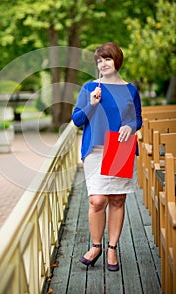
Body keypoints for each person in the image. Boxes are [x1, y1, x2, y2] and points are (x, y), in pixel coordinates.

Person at [71, 42, 142, 271]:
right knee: (97, 200)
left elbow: (137, 118)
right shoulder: (90, 88)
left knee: (117, 200)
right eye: (99, 61)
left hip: (120, 148)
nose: (103, 64)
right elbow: (77, 120)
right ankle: (95, 246)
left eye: (107, 59)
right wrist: (91, 103)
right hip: (95, 150)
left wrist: (130, 127)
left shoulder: (130, 90)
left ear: (116, 61)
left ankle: (112, 249)